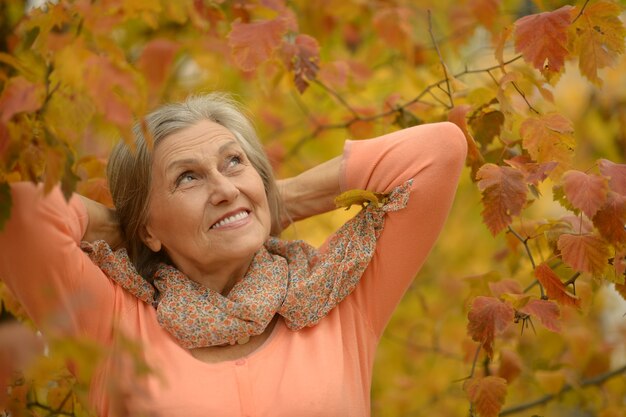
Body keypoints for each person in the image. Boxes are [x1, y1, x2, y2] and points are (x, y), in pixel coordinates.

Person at [0, 93, 467, 416]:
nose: (224, 189)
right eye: (188, 178)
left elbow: (437, 151)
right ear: (148, 225)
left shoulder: (335, 296)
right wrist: (127, 229)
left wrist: (275, 202)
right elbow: (19, 213)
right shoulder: (111, 324)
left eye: (234, 163)